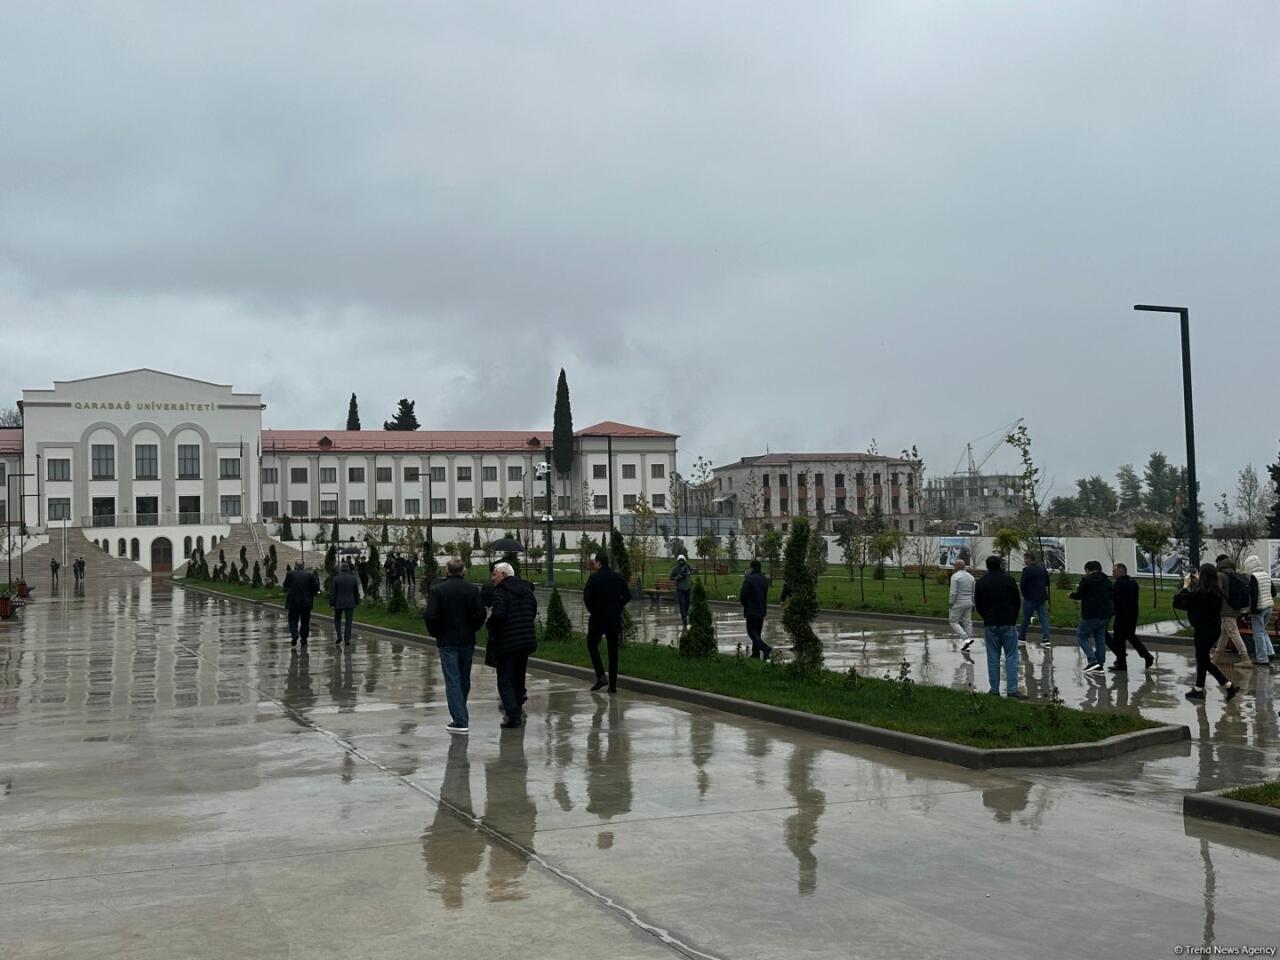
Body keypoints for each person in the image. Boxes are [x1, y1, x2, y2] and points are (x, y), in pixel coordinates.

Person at [425, 558, 487, 733]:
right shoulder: (472, 589)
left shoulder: (437, 590)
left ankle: (460, 719)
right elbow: (481, 613)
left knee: (453, 679)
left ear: (447, 571)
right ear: (463, 571)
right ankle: (460, 711)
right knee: (463, 678)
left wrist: (437, 633)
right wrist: (472, 628)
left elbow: (430, 616)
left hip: (447, 640)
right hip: (467, 639)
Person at [1174, 563, 1240, 702]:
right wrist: (1198, 582)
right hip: (1214, 630)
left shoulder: (1199, 594)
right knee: (1201, 658)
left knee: (1203, 660)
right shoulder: (1216, 592)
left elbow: (1179, 602)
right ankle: (1198, 689)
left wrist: (1185, 586)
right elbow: (1203, 596)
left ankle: (1228, 685)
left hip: (1202, 631)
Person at [487, 562, 538, 729]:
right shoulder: (527, 589)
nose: (492, 578)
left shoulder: (501, 591)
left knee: (505, 679)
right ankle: (517, 705)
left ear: (503, 574)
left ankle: (513, 714)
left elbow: (499, 613)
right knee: (519, 676)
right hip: (526, 639)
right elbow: (532, 610)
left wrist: (490, 624)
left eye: (494, 574)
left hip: (508, 641)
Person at [973, 554, 1023, 697]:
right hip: (1008, 621)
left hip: (990, 622)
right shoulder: (1009, 580)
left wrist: (986, 616)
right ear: (1000, 565)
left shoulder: (982, 582)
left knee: (993, 656)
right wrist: (1013, 616)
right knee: (1012, 656)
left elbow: (979, 604)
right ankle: (1012, 689)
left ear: (987, 566)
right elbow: (1016, 600)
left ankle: (994, 689)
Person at [583, 550, 631, 692]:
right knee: (613, 651)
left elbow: (587, 598)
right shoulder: (617, 577)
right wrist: (618, 607)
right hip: (613, 619)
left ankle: (600, 676)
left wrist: (594, 610)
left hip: (598, 619)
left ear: (598, 562)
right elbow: (627, 595)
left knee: (592, 644)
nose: (594, 565)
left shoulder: (594, 578)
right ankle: (613, 686)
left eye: (594, 562)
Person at [1107, 562, 1154, 671]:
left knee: (1119, 639)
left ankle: (1122, 663)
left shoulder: (1119, 584)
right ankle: (1144, 656)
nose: (1113, 573)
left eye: (1114, 571)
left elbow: (1115, 599)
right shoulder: (1133, 583)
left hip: (1122, 615)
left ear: (1121, 571)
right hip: (1133, 614)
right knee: (1130, 636)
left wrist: (1111, 611)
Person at [1070, 560, 1113, 674]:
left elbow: (1080, 595)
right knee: (1100, 638)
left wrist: (1071, 595)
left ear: (1088, 570)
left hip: (1090, 613)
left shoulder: (1086, 580)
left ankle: (1092, 661)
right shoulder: (1107, 581)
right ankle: (1100, 663)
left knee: (1081, 635)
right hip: (1104, 614)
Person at [1213, 555, 1252, 666]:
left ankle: (1245, 658)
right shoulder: (1233, 575)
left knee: (1233, 633)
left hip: (1226, 610)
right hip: (1234, 608)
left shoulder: (1220, 575)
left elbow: (1217, 592)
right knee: (1224, 634)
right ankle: (1216, 657)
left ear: (1220, 563)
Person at [1244, 554, 1275, 666]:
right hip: (1269, 607)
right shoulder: (1266, 575)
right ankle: (1270, 653)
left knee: (1258, 634)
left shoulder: (1253, 577)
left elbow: (1254, 595)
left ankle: (1262, 658)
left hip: (1259, 608)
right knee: (1263, 631)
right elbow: (1274, 592)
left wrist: (1251, 610)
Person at [739, 559, 772, 659]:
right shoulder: (764, 579)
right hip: (761, 609)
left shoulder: (749, 578)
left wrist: (744, 603)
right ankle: (755, 653)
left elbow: (743, 593)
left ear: (751, 568)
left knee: (751, 631)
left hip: (751, 609)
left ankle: (764, 647)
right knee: (757, 632)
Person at [282, 562, 320, 647]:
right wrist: (314, 593)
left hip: (293, 602)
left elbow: (285, 585)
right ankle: (304, 639)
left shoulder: (290, 574)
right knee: (305, 621)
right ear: (303, 567)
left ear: (295, 566)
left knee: (292, 620)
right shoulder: (309, 575)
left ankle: (294, 633)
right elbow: (316, 587)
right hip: (306, 602)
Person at [1017, 551, 1051, 646]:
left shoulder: (1026, 570)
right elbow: (1047, 583)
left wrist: (1024, 594)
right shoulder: (1042, 569)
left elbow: (1022, 585)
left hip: (1029, 598)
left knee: (1026, 618)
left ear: (1028, 559)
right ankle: (1046, 638)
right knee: (1043, 618)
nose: (1024, 561)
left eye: (1025, 559)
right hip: (1041, 597)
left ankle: (1022, 637)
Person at [328, 561, 361, 646]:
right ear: (348, 569)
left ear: (341, 569)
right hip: (350, 602)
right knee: (349, 621)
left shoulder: (336, 579)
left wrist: (331, 603)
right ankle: (347, 639)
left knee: (337, 620)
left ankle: (339, 636)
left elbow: (333, 592)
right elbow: (356, 592)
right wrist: (357, 602)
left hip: (338, 602)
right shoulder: (353, 579)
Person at [948, 559, 976, 651]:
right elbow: (973, 593)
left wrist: (951, 603)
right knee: (967, 622)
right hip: (969, 602)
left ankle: (965, 638)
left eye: (954, 566)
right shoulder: (971, 577)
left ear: (957, 566)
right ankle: (967, 644)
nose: (954, 567)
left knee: (953, 621)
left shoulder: (955, 576)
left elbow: (953, 592)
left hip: (958, 602)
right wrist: (973, 604)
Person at [670, 555, 696, 628]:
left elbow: (693, 570)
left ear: (685, 561)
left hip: (688, 588)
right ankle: (684, 617)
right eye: (680, 561)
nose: (681, 562)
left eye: (682, 561)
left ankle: (686, 614)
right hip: (680, 588)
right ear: (678, 562)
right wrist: (678, 577)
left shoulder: (687, 566)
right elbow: (671, 577)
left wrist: (688, 573)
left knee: (687, 603)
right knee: (682, 603)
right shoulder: (675, 569)